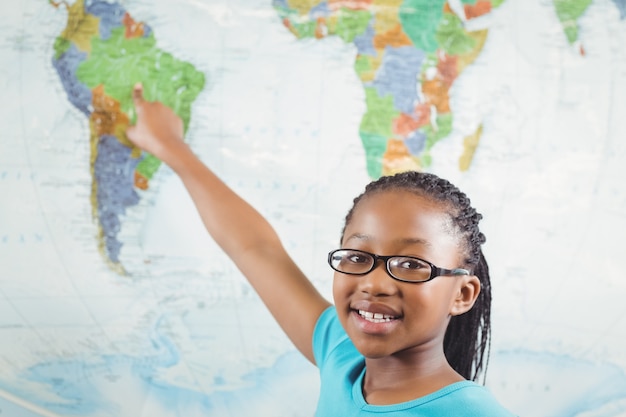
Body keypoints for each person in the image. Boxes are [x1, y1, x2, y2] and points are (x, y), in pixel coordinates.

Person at [126, 84, 516, 416]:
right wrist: (169, 145)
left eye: (410, 263)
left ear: (462, 294)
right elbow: (255, 247)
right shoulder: (341, 358)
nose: (374, 283)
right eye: (358, 257)